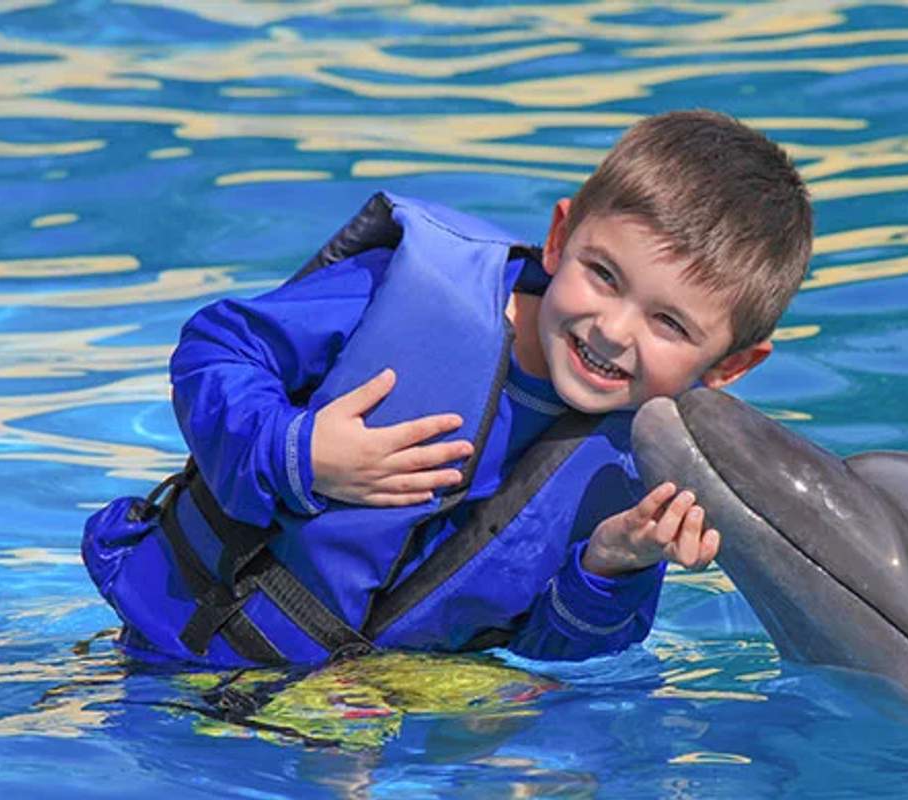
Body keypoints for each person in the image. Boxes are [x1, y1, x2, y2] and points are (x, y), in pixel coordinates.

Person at [81, 110, 814, 667]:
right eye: (603, 274)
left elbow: (551, 651)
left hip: (359, 712)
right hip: (176, 649)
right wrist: (298, 454)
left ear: (729, 368)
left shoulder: (638, 473)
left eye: (669, 324)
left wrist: (611, 564)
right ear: (559, 239)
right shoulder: (409, 295)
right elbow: (215, 350)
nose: (615, 330)